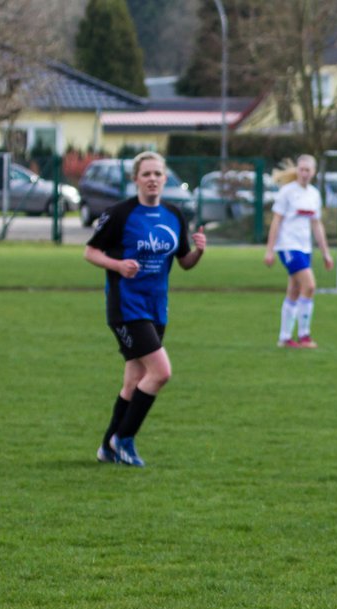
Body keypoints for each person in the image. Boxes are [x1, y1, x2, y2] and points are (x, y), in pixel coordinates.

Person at [86, 151, 206, 467]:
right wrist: (117, 265)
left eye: (157, 174)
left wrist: (199, 252)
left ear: (165, 179)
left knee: (133, 382)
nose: (152, 179)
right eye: (146, 174)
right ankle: (123, 439)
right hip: (126, 307)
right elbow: (90, 251)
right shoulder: (121, 214)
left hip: (156, 308)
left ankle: (106, 448)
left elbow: (184, 263)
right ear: (136, 179)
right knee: (161, 372)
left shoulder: (174, 215)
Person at [264, 155, 333, 349]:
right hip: (288, 247)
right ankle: (304, 336)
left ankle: (284, 338)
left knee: (294, 291)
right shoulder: (287, 192)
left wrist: (326, 253)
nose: (304, 173)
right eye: (301, 169)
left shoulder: (314, 194)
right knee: (309, 286)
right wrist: (269, 250)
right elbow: (276, 221)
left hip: (304, 248)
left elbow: (316, 225)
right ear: (297, 170)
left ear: (314, 172)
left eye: (308, 170)